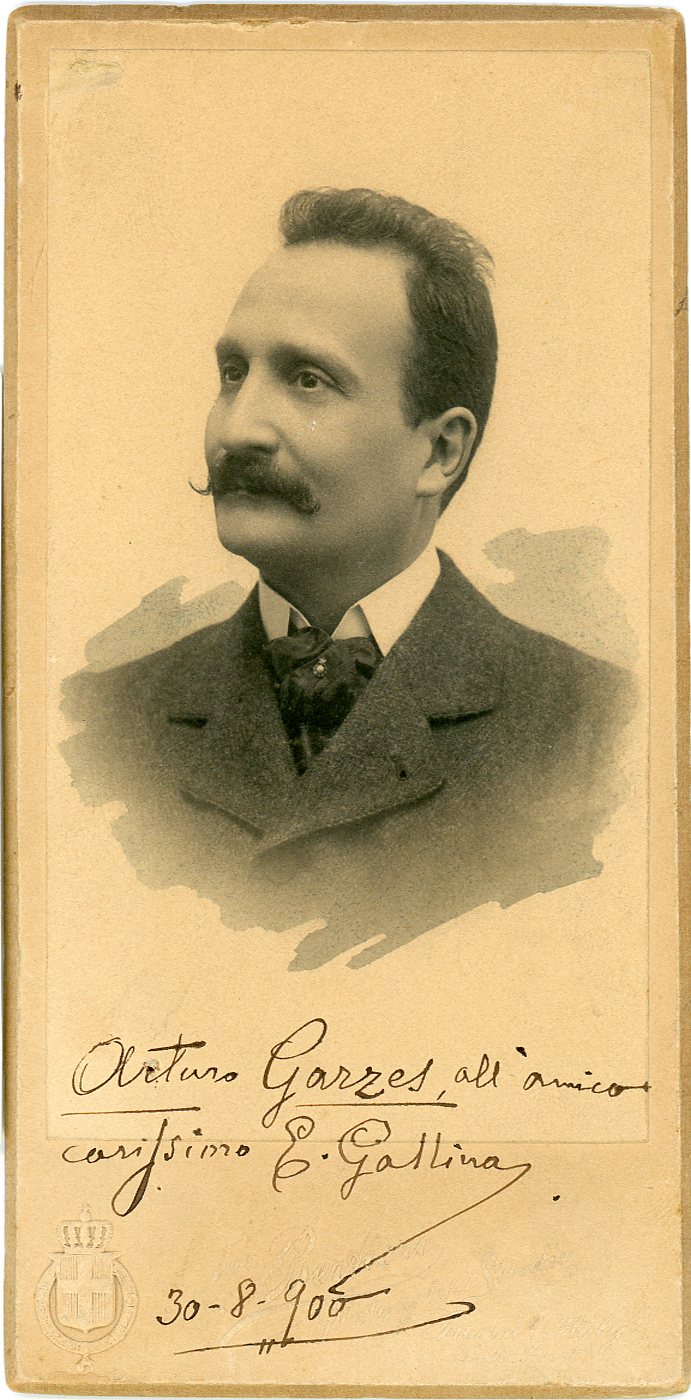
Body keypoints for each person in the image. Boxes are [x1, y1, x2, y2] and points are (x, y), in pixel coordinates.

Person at [62, 187, 634, 970]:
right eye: (232, 373)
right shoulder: (94, 728)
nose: (237, 428)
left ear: (439, 452)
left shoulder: (602, 737)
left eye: (308, 380)